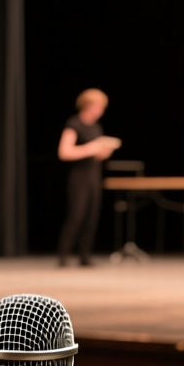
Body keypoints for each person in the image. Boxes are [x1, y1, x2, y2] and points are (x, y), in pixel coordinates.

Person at [56, 88, 118, 267]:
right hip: (79, 176)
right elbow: (64, 152)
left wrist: (103, 151)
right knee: (77, 215)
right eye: (98, 107)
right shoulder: (74, 124)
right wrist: (91, 148)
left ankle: (85, 255)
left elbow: (95, 154)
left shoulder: (96, 127)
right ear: (88, 106)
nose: (100, 111)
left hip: (93, 175)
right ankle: (63, 255)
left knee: (92, 216)